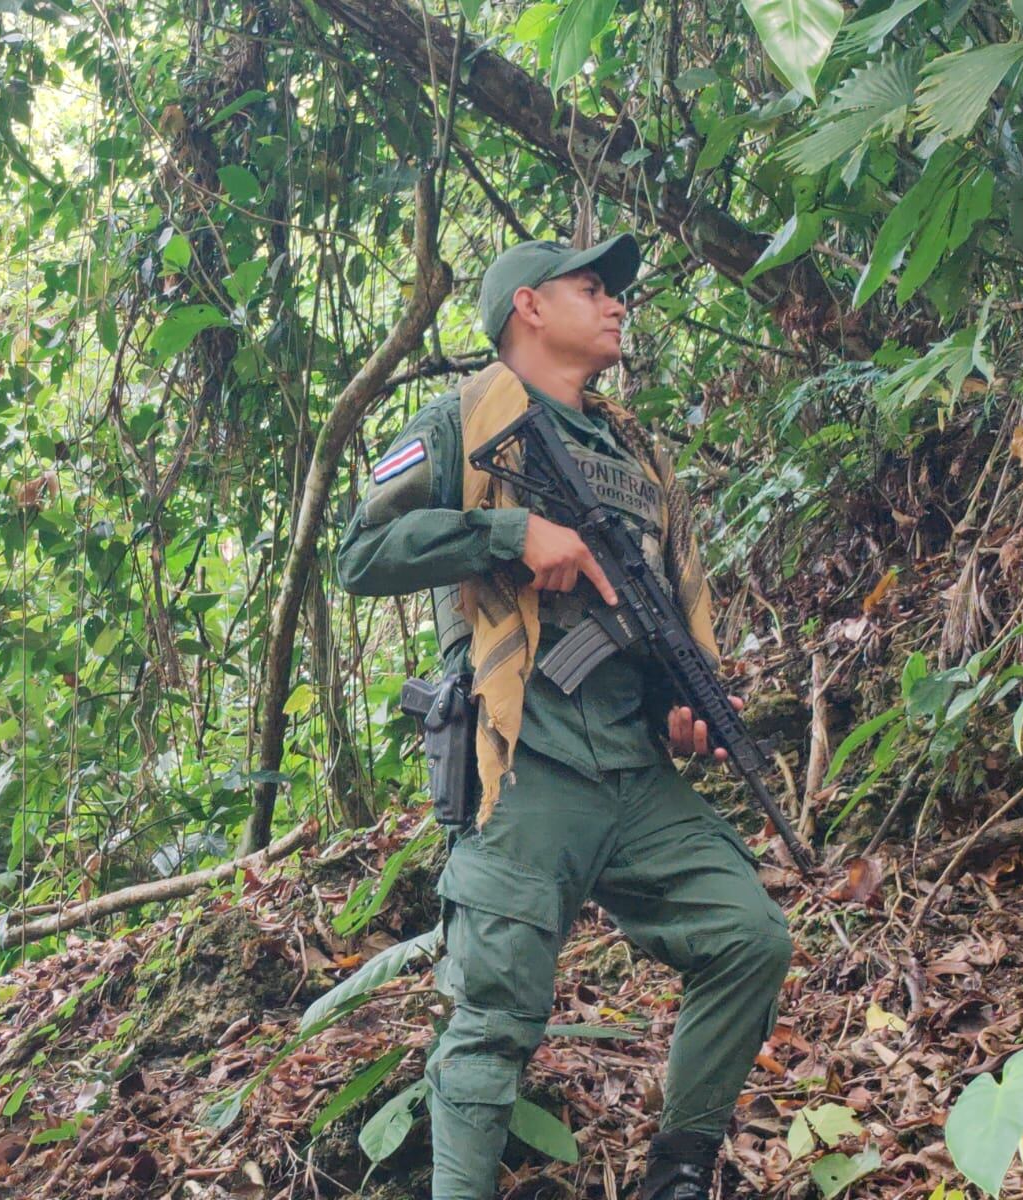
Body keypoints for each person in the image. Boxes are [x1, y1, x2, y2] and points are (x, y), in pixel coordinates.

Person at [336, 235, 793, 1200]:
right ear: (529, 308)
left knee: (749, 935)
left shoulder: (632, 451)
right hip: (522, 766)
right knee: (494, 1018)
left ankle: (676, 1172)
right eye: (594, 288)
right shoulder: (461, 422)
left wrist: (684, 709)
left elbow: (652, 614)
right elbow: (360, 553)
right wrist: (510, 531)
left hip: (632, 773)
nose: (617, 304)